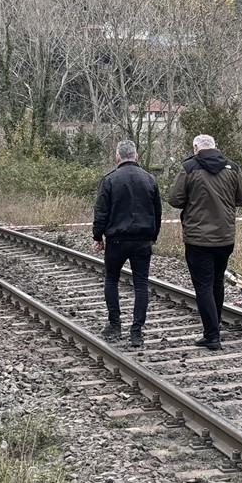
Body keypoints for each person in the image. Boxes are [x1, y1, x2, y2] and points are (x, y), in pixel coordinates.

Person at [168, 134, 242, 350]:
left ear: (196, 148)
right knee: (217, 282)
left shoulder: (189, 168)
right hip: (225, 237)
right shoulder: (233, 168)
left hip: (197, 238)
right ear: (215, 147)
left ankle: (212, 334)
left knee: (203, 285)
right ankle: (215, 325)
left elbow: (175, 199)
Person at [93, 140, 162, 347]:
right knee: (141, 284)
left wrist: (98, 236)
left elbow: (101, 211)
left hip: (116, 240)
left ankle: (114, 324)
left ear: (117, 158)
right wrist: (154, 236)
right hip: (142, 240)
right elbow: (157, 212)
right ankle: (137, 331)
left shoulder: (109, 180)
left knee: (111, 279)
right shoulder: (150, 179)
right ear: (136, 157)